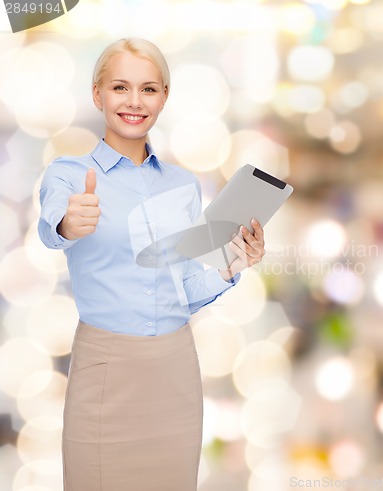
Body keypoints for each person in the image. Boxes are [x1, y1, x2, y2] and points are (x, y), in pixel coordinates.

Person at [38, 38, 266, 491]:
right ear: (97, 93)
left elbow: (181, 287)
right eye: (120, 87)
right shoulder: (68, 174)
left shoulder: (182, 185)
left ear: (164, 97)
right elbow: (52, 229)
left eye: (149, 89)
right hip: (106, 371)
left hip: (175, 373)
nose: (134, 102)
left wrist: (230, 266)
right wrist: (69, 222)